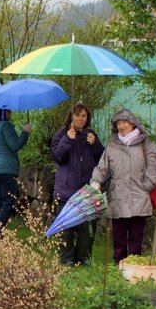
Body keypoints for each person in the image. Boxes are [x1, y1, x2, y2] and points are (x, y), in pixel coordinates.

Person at [91, 109, 156, 263]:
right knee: (118, 237)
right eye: (118, 123)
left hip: (139, 197)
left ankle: (134, 268)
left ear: (132, 123)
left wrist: (147, 185)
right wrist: (96, 181)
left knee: (136, 238)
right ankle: (119, 266)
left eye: (124, 122)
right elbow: (102, 168)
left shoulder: (145, 144)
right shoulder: (112, 146)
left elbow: (155, 166)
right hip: (118, 198)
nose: (121, 126)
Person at [50, 102, 104, 265]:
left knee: (86, 229)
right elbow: (58, 157)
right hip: (66, 190)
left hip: (86, 191)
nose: (80, 118)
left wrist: (94, 144)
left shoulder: (90, 134)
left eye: (84, 115)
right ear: (71, 116)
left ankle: (83, 259)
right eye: (77, 115)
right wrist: (68, 139)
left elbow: (101, 158)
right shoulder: (62, 134)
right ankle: (66, 259)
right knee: (65, 228)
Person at [0, 108, 31, 234]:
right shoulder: (6, 126)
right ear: (4, 112)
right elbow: (14, 145)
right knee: (8, 199)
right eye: (9, 111)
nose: (11, 113)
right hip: (6, 169)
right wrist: (25, 132)